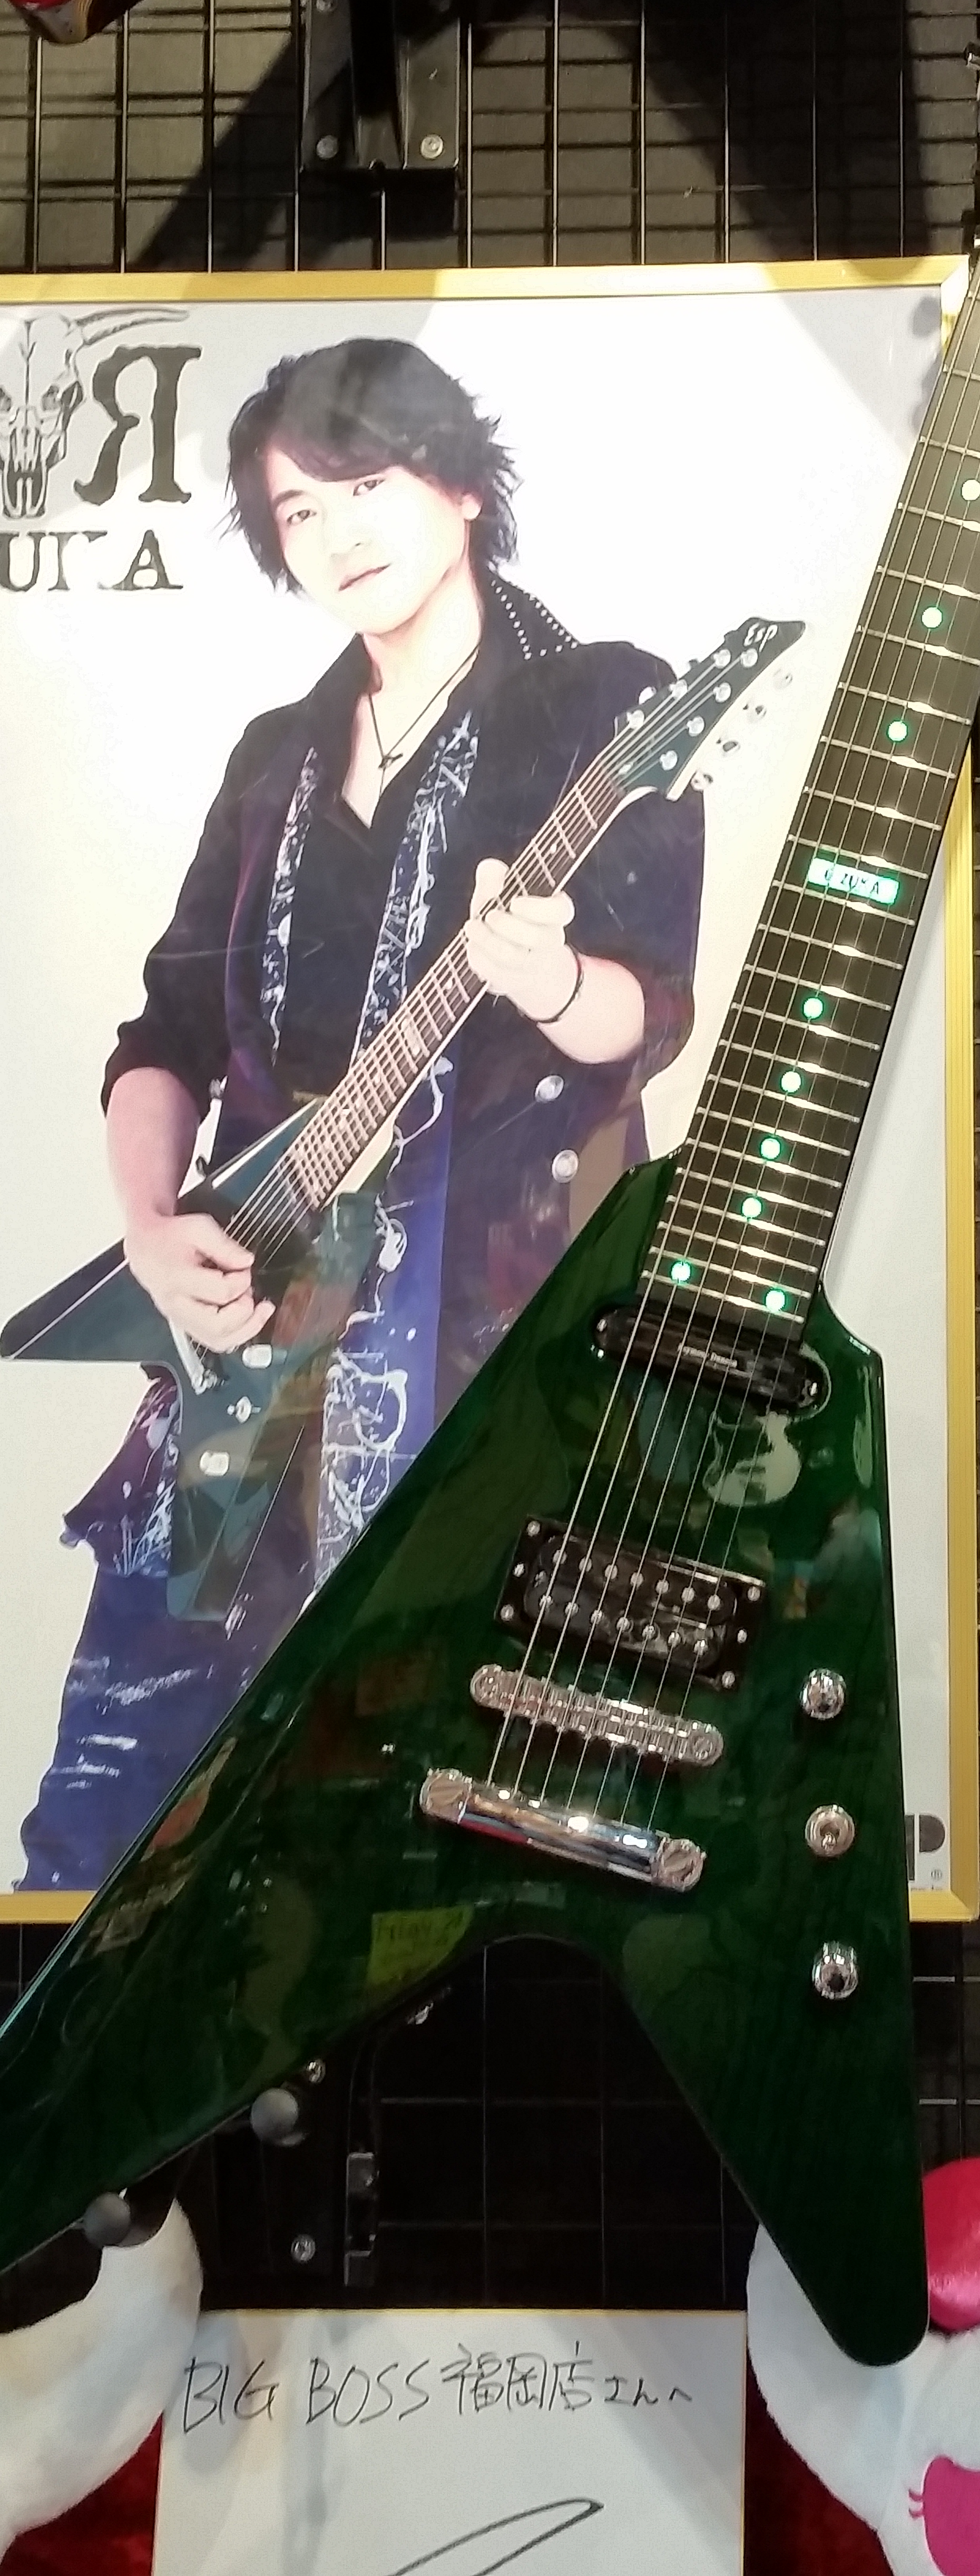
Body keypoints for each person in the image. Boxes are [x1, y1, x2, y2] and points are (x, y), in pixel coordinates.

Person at [21, 336, 704, 1891]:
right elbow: (166, 1033)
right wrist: (152, 1230)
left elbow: (647, 1015)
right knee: (108, 1814)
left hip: (482, 1342)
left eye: (366, 486)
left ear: (459, 485)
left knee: (402, 1808)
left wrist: (545, 978)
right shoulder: (275, 755)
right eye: (299, 512)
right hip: (248, 1330)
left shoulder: (598, 702)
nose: (335, 534)